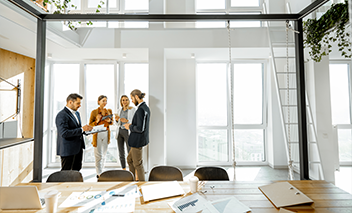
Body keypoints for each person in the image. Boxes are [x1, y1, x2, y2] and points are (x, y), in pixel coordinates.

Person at [56, 93, 93, 171]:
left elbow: (77, 129)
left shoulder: (77, 113)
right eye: (78, 103)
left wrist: (87, 130)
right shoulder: (62, 115)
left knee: (76, 171)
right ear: (70, 102)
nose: (80, 105)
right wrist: (82, 129)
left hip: (78, 149)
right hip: (68, 150)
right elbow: (64, 133)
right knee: (66, 173)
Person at [123, 89, 151, 181]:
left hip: (137, 141)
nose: (131, 101)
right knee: (130, 159)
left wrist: (129, 127)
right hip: (138, 140)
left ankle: (142, 185)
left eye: (132, 98)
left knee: (138, 164)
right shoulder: (145, 107)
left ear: (136, 97)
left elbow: (139, 128)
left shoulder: (140, 110)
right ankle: (133, 180)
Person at [89, 95, 113, 178]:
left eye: (106, 101)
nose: (105, 102)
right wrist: (97, 120)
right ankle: (98, 173)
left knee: (104, 154)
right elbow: (90, 125)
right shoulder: (94, 112)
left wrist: (109, 121)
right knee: (98, 155)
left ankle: (102, 172)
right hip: (98, 134)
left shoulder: (109, 111)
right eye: (103, 101)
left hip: (106, 133)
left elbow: (111, 122)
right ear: (99, 101)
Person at [115, 95, 136, 170]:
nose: (125, 101)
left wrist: (127, 121)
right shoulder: (119, 110)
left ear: (129, 101)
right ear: (121, 101)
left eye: (126, 100)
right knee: (121, 152)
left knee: (129, 151)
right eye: (123, 100)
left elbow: (134, 121)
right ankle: (123, 169)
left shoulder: (132, 109)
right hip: (120, 131)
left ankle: (132, 169)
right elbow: (117, 124)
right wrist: (117, 120)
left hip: (127, 131)